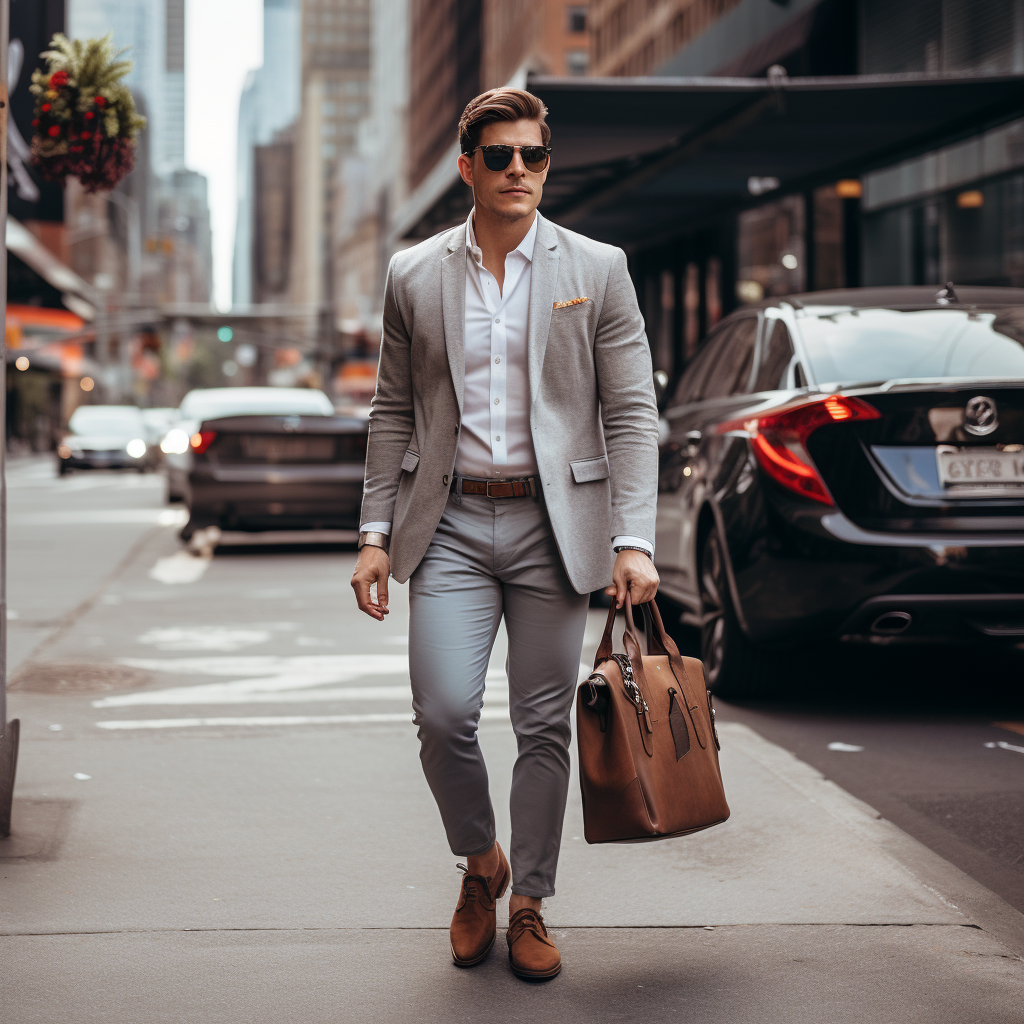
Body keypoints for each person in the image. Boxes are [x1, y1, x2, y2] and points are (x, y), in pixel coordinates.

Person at [351, 87, 659, 980]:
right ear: (468, 167)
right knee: (444, 715)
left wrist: (631, 538)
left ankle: (528, 901)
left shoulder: (597, 268)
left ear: (546, 165)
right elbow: (391, 411)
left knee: (540, 726)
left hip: (554, 527)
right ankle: (479, 862)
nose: (518, 170)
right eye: (499, 157)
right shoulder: (415, 273)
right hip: (445, 523)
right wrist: (375, 531)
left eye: (532, 156)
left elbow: (632, 413)